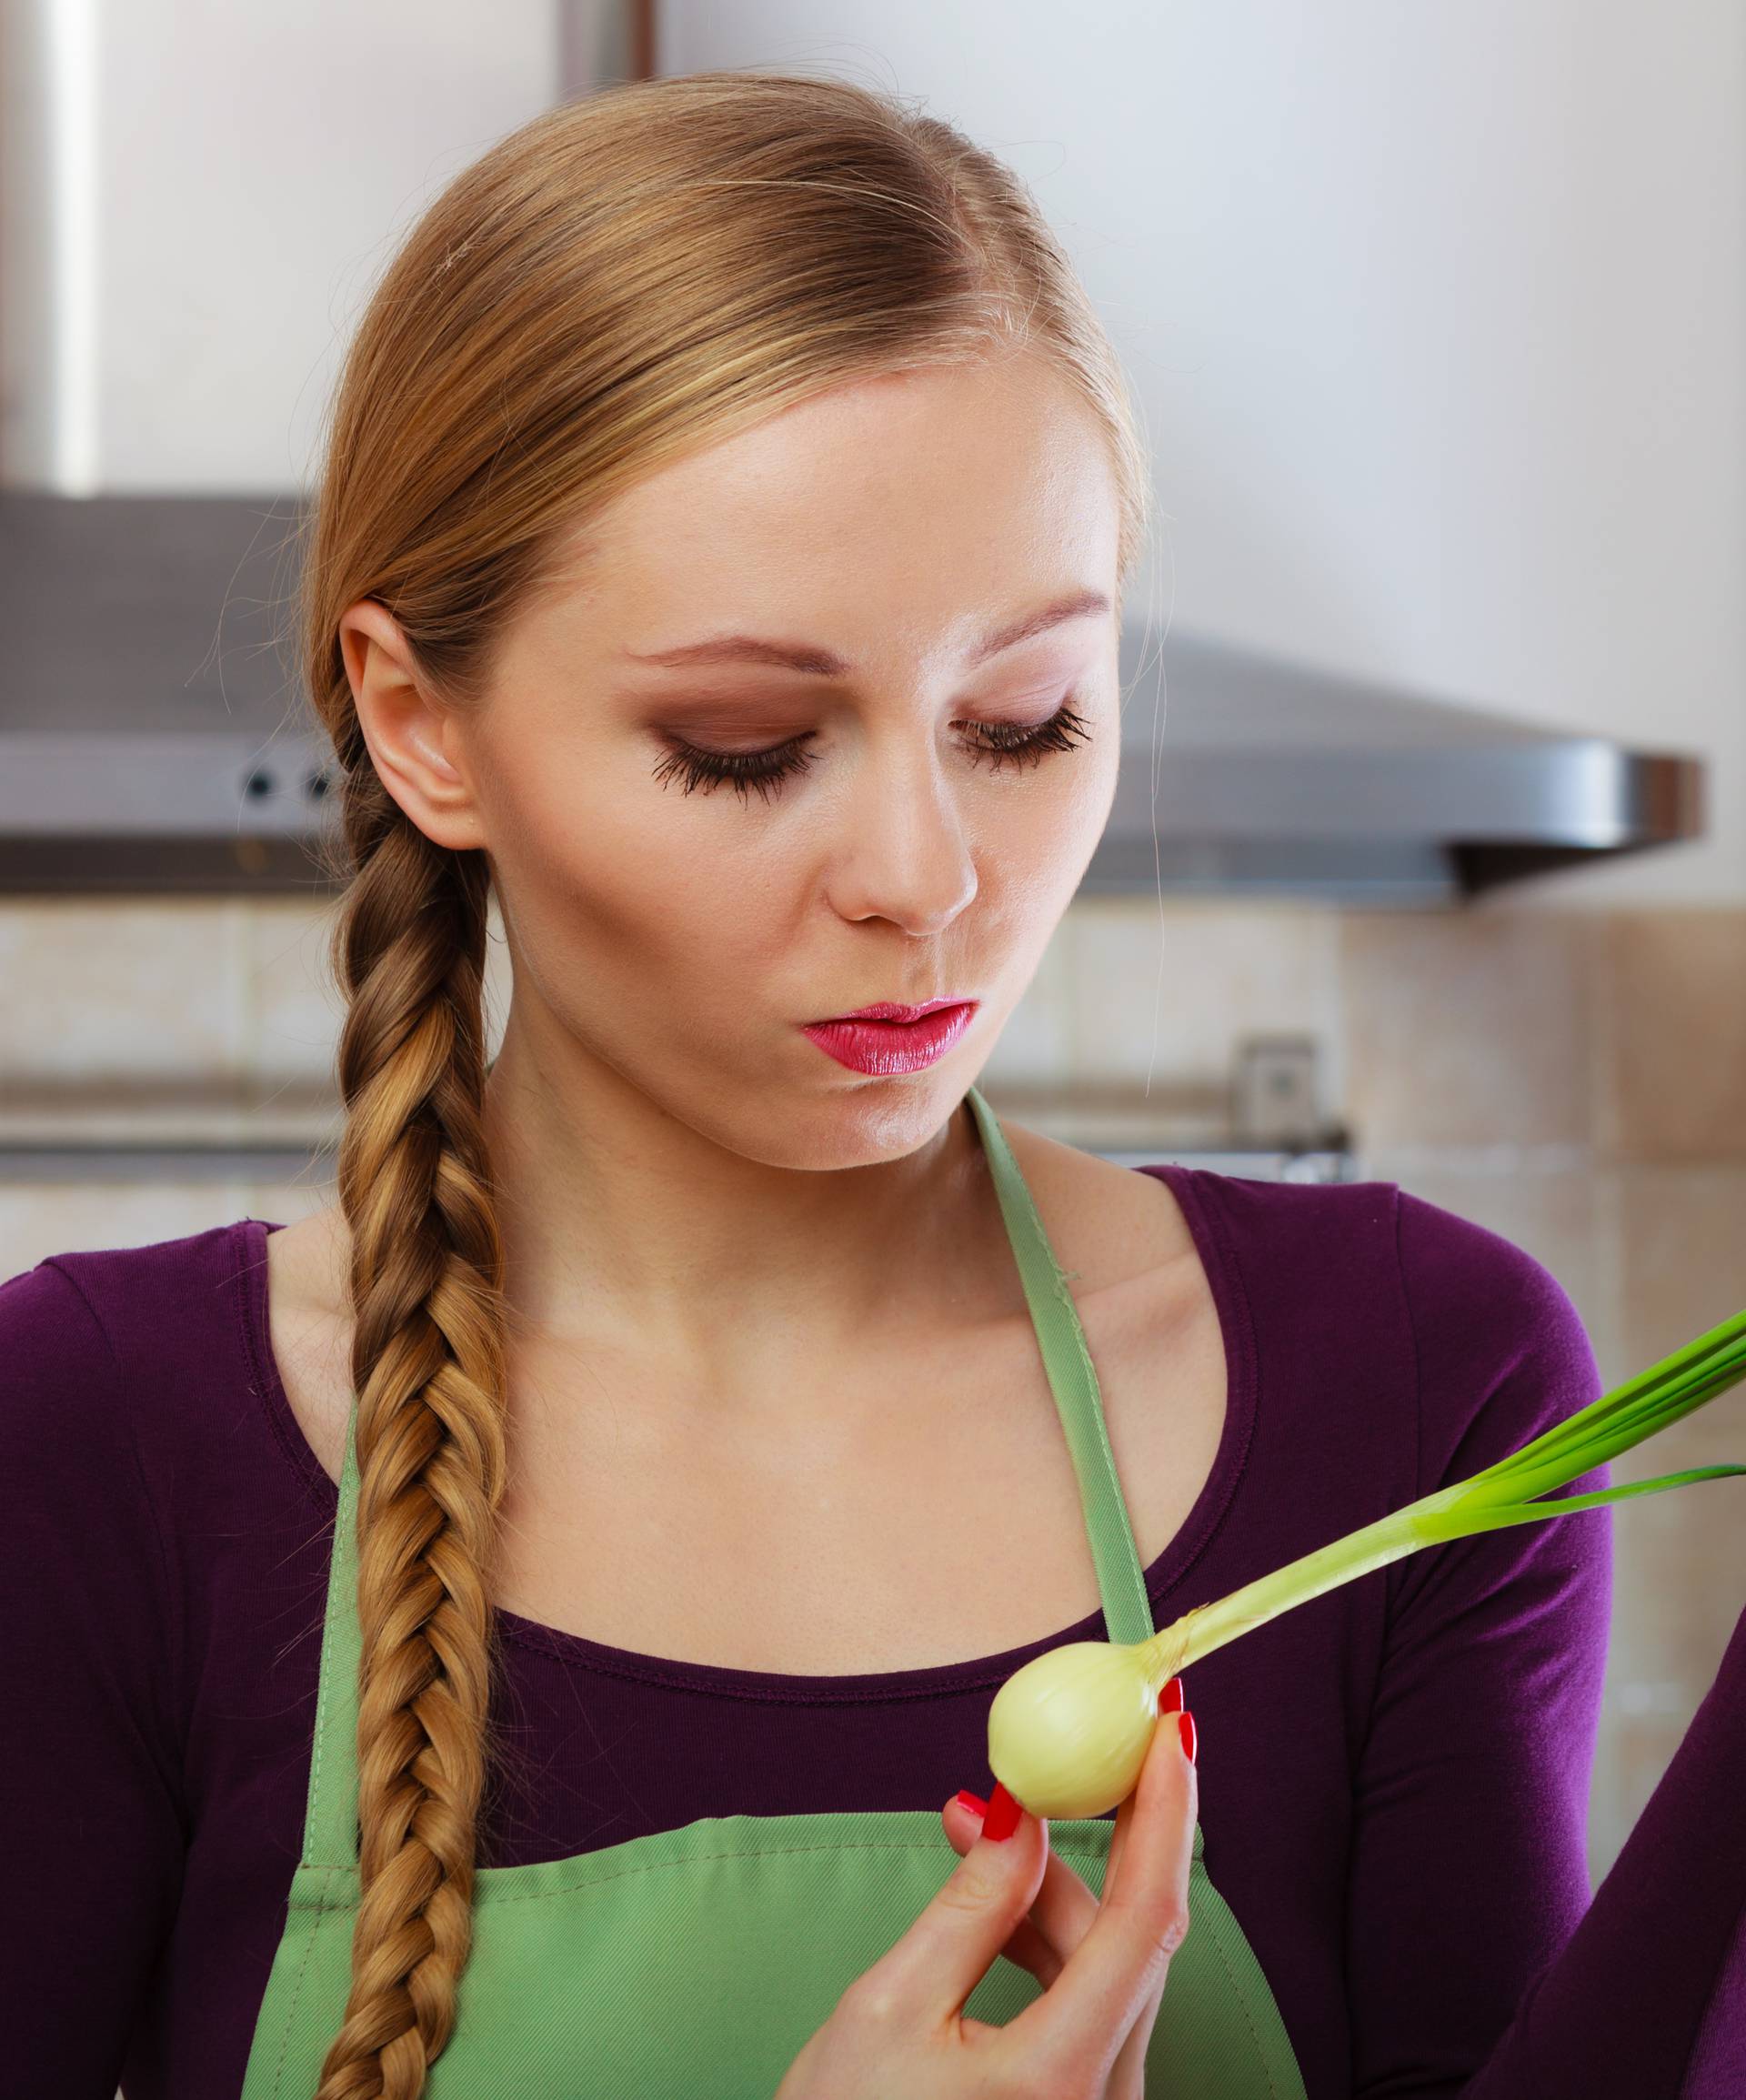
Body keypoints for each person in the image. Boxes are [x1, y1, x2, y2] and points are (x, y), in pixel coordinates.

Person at [4, 67, 1742, 2100]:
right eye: (744, 745)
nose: (928, 881)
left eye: (1026, 721)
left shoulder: (1419, 1389)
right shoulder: (100, 1448)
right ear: (421, 724)